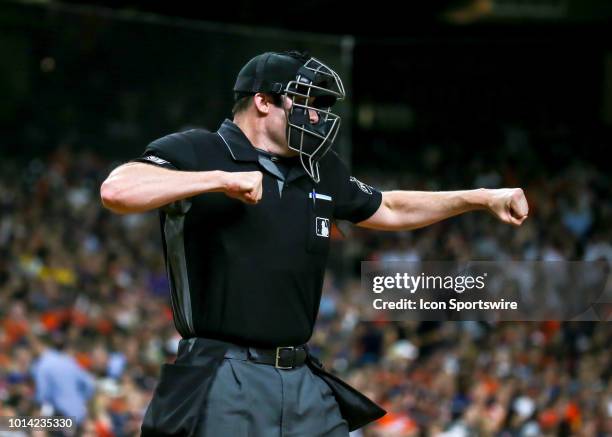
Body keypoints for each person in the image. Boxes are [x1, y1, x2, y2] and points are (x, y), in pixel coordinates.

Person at [100, 50, 528, 436]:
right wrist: (220, 180)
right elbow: (118, 190)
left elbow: (392, 207)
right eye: (306, 103)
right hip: (224, 372)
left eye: (322, 106)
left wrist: (480, 198)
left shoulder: (320, 169)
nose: (318, 116)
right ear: (262, 101)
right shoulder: (201, 149)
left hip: (301, 376)